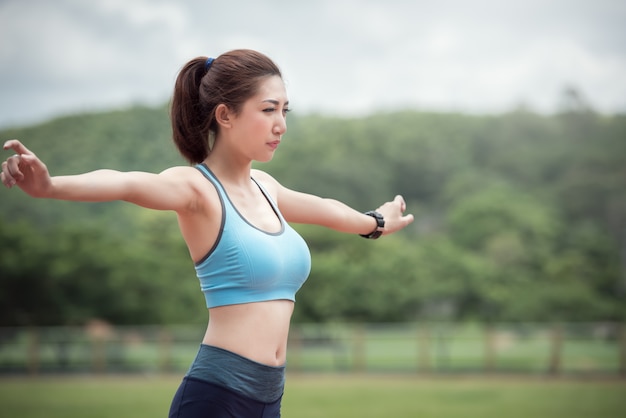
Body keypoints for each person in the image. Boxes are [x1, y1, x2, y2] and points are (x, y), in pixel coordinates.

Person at [1, 49, 414, 417]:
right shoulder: (197, 189)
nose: (281, 124)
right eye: (269, 110)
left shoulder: (267, 189)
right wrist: (51, 186)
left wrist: (377, 222)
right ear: (225, 115)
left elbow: (329, 211)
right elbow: (126, 182)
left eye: (285, 111)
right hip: (216, 397)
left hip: (269, 399)